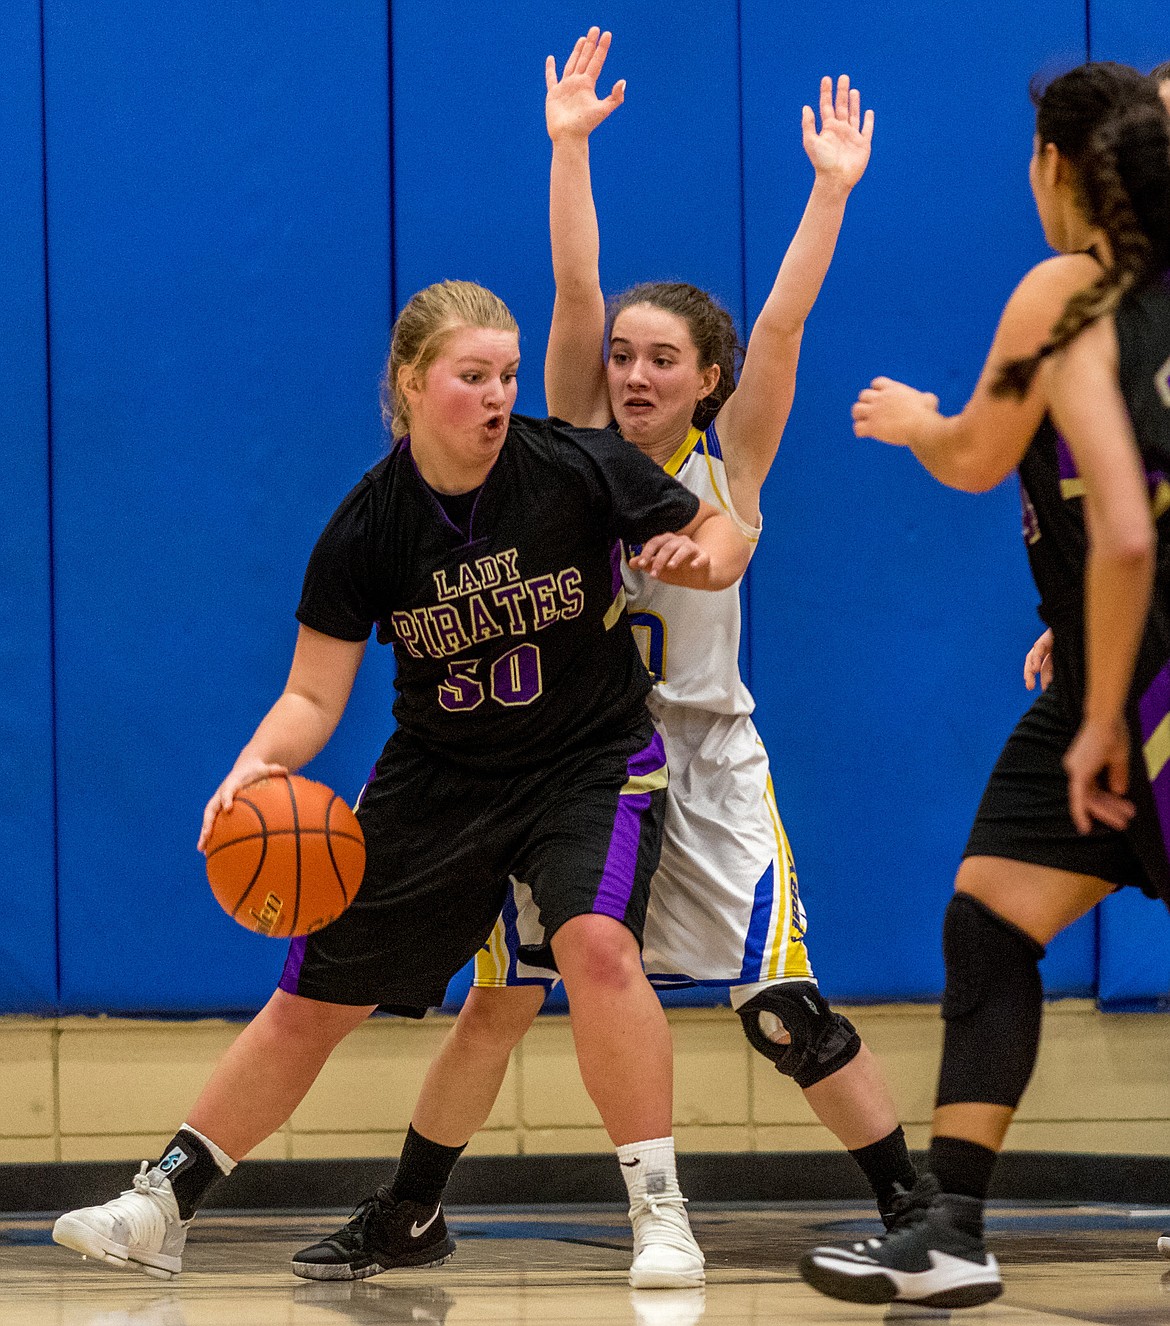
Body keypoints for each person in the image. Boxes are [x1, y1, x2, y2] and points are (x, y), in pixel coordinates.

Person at [301, 29, 919, 1288]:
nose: (632, 373)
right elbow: (573, 295)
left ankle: (916, 1205)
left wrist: (830, 193)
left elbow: (788, 323)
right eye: (623, 358)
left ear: (708, 381)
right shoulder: (571, 442)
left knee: (779, 1006)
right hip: (578, 758)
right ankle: (411, 1209)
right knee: (505, 996)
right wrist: (569, 149)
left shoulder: (726, 461)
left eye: (662, 360)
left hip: (702, 750)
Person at [51, 279, 752, 1283]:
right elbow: (311, 695)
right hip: (441, 778)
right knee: (314, 996)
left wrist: (704, 556)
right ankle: (161, 1203)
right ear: (415, 384)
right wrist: (255, 766)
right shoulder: (368, 527)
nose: (499, 394)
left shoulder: (570, 462)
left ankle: (659, 1212)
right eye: (475, 377)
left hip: (585, 762)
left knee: (595, 945)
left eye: (508, 375)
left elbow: (723, 532)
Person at [799, 62, 1170, 1308]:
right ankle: (951, 1224)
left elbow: (990, 463)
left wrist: (914, 420)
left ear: (1059, 166)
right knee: (991, 915)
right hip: (1107, 670)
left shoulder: (1068, 288)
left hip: (1136, 695)